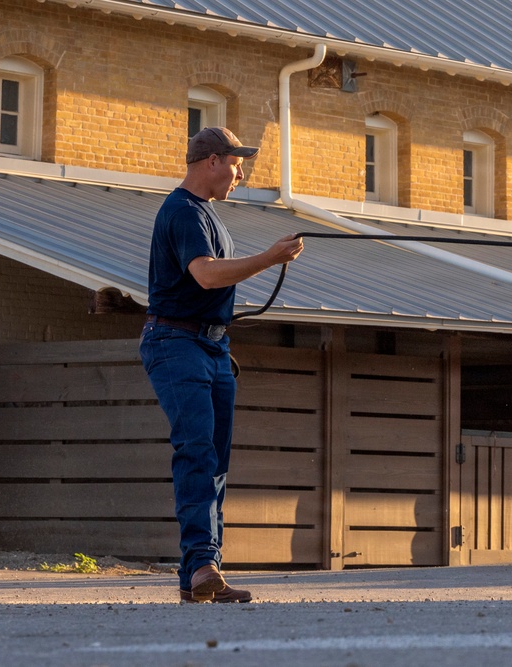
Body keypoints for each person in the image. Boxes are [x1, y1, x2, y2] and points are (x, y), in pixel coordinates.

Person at [139, 127, 304, 603]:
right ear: (211, 161)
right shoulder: (183, 212)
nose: (240, 172)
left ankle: (203, 569)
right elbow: (207, 275)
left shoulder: (209, 217)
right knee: (197, 451)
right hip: (177, 343)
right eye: (236, 163)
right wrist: (270, 257)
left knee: (214, 462)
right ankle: (203, 566)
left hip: (209, 346)